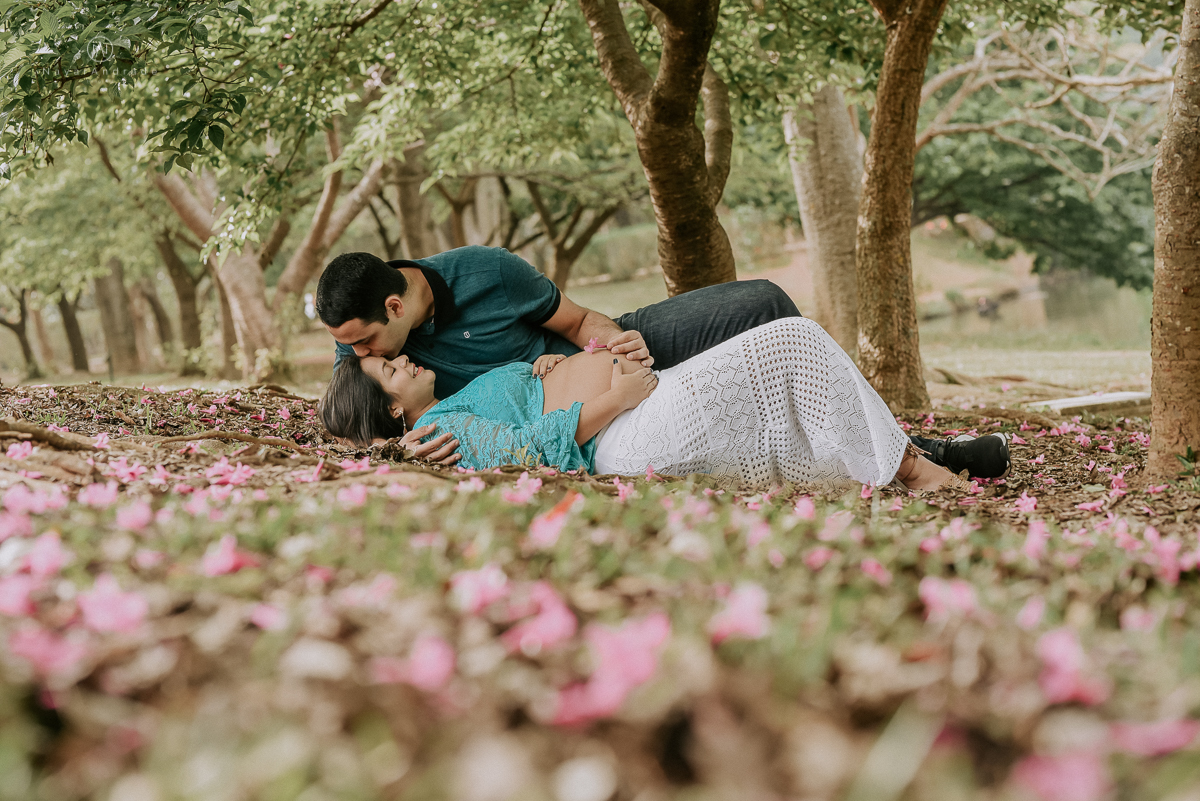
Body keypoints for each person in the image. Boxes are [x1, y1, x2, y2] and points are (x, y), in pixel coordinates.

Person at [316, 247, 1010, 479]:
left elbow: (579, 319)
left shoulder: (487, 273)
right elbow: (361, 406)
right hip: (581, 415)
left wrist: (622, 342)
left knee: (765, 302)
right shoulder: (387, 366)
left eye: (363, 340)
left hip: (608, 352)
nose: (358, 352)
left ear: (395, 303)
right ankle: (925, 456)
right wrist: (399, 446)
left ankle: (899, 443)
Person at [319, 317, 970, 492]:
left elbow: (521, 410)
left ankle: (904, 459)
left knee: (786, 367)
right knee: (790, 338)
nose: (398, 360)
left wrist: (544, 366)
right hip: (627, 432)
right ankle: (911, 465)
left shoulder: (455, 406)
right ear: (392, 410)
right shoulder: (436, 432)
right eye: (385, 370)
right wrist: (616, 392)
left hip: (632, 417)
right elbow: (531, 449)